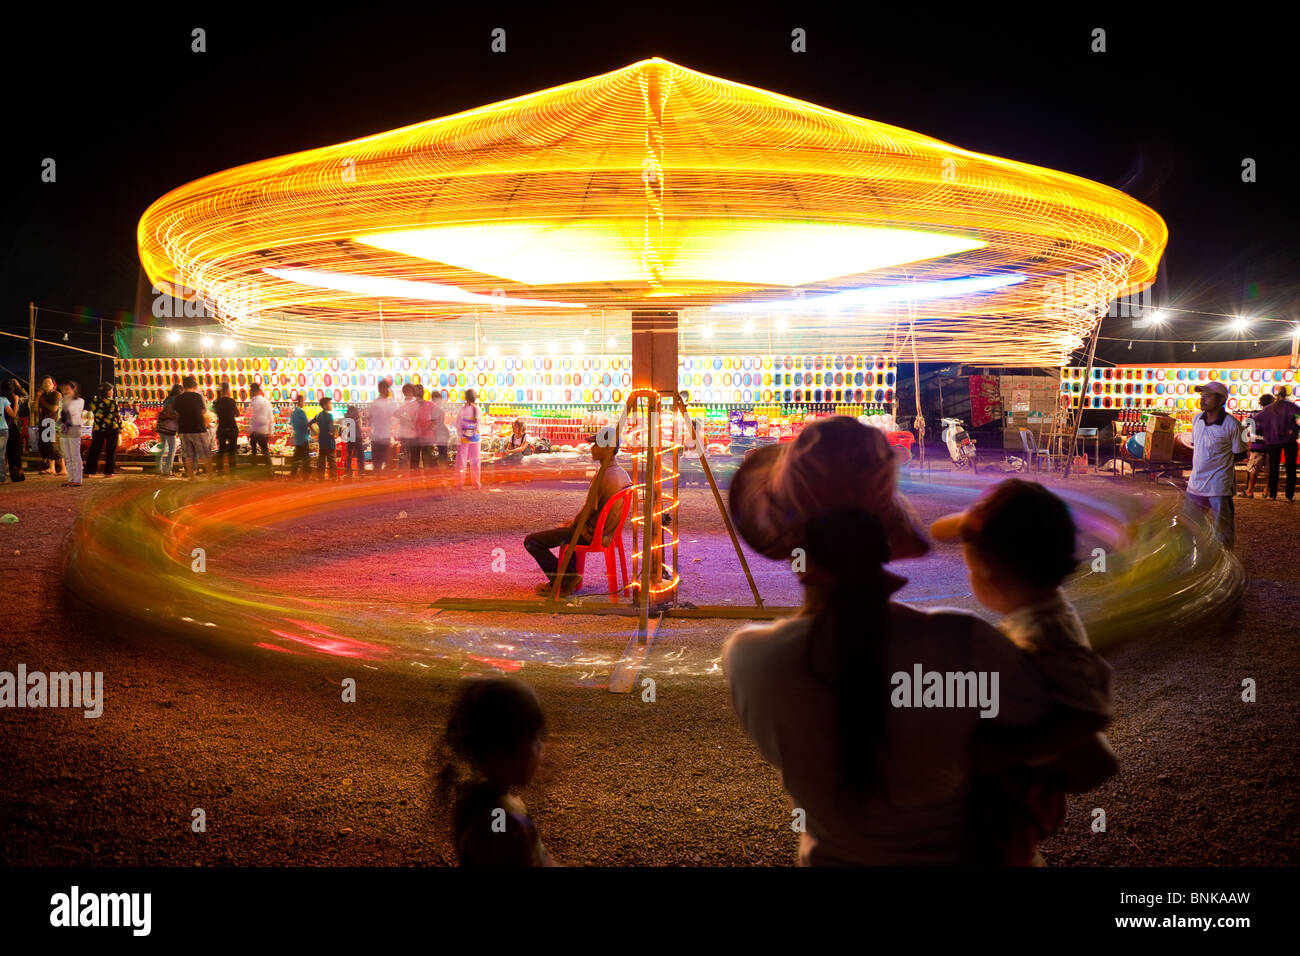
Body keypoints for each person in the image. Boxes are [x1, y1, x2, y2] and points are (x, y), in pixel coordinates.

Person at [722, 416, 1055, 866]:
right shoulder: (966, 645)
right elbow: (1067, 756)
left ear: (791, 538)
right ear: (886, 528)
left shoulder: (749, 659)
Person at [930, 479, 1116, 865]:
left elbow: (1091, 710)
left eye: (970, 569)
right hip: (1019, 791)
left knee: (998, 848)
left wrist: (1005, 751)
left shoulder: (1043, 637)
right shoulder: (1045, 608)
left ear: (990, 577)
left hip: (1021, 794)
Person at [436, 678, 555, 867]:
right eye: (533, 738)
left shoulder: (474, 799)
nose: (541, 747)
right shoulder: (498, 818)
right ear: (502, 750)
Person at [524, 425, 632, 596]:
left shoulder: (603, 476)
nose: (592, 448)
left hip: (591, 533)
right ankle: (568, 578)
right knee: (568, 530)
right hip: (607, 531)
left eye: (596, 444)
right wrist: (572, 524)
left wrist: (573, 524)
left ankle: (565, 579)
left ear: (607, 449)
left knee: (532, 542)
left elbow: (588, 510)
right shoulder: (622, 473)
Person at [1185, 381, 1247, 548]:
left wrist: (1219, 464)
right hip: (1195, 483)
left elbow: (1240, 453)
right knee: (1188, 526)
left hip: (1219, 486)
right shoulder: (1196, 419)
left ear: (1221, 401)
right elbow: (1197, 447)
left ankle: (1225, 562)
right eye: (1201, 395)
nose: (1202, 399)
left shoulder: (1232, 425)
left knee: (1223, 530)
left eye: (1207, 396)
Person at [1262, 385, 1300, 501]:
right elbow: (1298, 419)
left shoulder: (1270, 408)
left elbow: (1260, 420)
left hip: (1273, 440)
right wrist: (1293, 429)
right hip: (1289, 439)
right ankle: (1289, 495)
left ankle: (1273, 494)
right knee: (1290, 468)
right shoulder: (1292, 407)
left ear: (1276, 395)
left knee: (1273, 467)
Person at [173, 376, 211, 480]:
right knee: (205, 453)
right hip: (198, 428)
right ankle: (210, 477)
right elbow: (203, 411)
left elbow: (176, 414)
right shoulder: (198, 397)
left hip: (184, 429)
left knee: (188, 455)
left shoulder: (178, 398)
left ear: (184, 386)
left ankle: (191, 477)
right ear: (194, 386)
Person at [85, 382, 123, 479]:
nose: (112, 392)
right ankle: (108, 472)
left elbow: (95, 414)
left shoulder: (94, 402)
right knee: (111, 451)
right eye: (111, 390)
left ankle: (88, 471)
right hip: (112, 428)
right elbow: (117, 417)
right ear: (107, 391)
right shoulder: (113, 403)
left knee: (94, 450)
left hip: (99, 428)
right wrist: (121, 428)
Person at [1242, 393, 1274, 499]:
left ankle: (1250, 490)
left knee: (1253, 469)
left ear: (1260, 403)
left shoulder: (1254, 414)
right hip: (1271, 446)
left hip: (1257, 446)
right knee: (1269, 470)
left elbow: (1243, 426)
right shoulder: (1275, 416)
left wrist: (1248, 438)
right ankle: (1266, 491)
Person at [58, 380, 85, 487]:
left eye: (67, 389)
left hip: (74, 429)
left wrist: (67, 401)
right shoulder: (62, 401)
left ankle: (77, 479)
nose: (65, 391)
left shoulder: (80, 401)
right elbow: (60, 415)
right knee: (67, 456)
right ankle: (71, 478)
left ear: (74, 389)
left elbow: (74, 412)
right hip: (64, 429)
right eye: (64, 389)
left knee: (75, 455)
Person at [455, 388, 483, 489]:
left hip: (464, 439)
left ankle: (460, 484)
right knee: (475, 461)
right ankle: (476, 483)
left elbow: (457, 424)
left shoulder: (462, 410)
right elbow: (479, 424)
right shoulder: (478, 410)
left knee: (462, 462)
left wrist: (461, 433)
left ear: (466, 398)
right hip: (476, 438)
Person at [36, 377, 63, 476]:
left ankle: (63, 469)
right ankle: (52, 468)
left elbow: (54, 408)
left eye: (49, 382)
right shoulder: (43, 395)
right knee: (47, 446)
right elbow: (36, 410)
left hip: (53, 422)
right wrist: (38, 397)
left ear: (53, 385)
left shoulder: (56, 394)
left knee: (53, 445)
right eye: (45, 382)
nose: (47, 384)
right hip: (44, 422)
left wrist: (41, 400)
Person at [367, 379, 396, 474]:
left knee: (380, 463)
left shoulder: (378, 403)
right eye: (386, 389)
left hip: (380, 437)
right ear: (381, 390)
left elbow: (369, 419)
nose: (388, 391)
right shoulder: (379, 403)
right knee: (382, 463)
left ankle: (381, 480)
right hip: (380, 438)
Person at [212, 381, 240, 475]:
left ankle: (220, 471)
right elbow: (237, 414)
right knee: (232, 451)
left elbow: (216, 413)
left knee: (221, 451)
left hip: (222, 428)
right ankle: (233, 472)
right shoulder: (231, 401)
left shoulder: (216, 402)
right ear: (228, 390)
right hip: (232, 427)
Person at [156, 383, 182, 477]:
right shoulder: (176, 400)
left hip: (162, 426)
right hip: (170, 427)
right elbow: (174, 414)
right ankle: (167, 470)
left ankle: (159, 468)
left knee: (163, 448)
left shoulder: (167, 399)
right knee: (172, 448)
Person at [246, 382, 273, 474]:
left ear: (254, 391)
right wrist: (271, 431)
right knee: (265, 451)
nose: (249, 393)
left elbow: (251, 417)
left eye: (250, 391)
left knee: (254, 452)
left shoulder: (253, 401)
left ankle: (254, 471)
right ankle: (270, 471)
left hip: (255, 431)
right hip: (264, 430)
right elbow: (271, 417)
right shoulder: (266, 401)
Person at [2, 380, 26, 482]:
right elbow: (14, 414)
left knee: (3, 452)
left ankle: (4, 475)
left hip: (4, 426)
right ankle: (16, 476)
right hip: (12, 426)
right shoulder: (12, 398)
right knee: (14, 452)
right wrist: (16, 399)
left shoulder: (2, 398)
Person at [311, 395, 338, 480]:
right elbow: (331, 428)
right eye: (330, 404)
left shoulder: (318, 415)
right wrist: (334, 434)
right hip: (329, 441)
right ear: (325, 406)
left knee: (321, 461)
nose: (331, 405)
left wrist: (316, 431)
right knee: (332, 461)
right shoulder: (329, 416)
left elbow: (309, 423)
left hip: (322, 441)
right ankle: (333, 478)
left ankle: (321, 478)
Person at [393, 383, 417, 474]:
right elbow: (396, 413)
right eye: (407, 392)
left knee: (412, 455)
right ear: (404, 393)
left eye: (410, 392)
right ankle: (403, 474)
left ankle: (411, 473)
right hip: (405, 433)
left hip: (413, 433)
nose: (409, 394)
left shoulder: (415, 403)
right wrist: (404, 418)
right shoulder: (403, 404)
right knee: (404, 455)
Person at [289, 393, 311, 479]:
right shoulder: (301, 412)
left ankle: (293, 474)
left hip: (298, 438)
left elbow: (292, 424)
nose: (304, 403)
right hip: (304, 438)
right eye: (303, 401)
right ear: (300, 401)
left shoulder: (294, 413)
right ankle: (306, 475)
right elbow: (307, 424)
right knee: (306, 458)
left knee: (296, 458)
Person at [412, 385, 434, 470]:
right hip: (417, 438)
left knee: (425, 464)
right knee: (415, 464)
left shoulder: (430, 404)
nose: (419, 392)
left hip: (425, 438)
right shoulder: (411, 405)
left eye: (420, 390)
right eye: (417, 391)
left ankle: (423, 482)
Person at [341, 403, 364, 478]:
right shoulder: (356, 416)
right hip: (357, 436)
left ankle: (349, 473)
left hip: (351, 436)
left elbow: (345, 427)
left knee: (349, 456)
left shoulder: (347, 417)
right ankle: (361, 472)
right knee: (360, 455)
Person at [431, 389, 451, 467]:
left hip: (437, 436)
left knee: (439, 456)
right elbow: (438, 424)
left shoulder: (430, 409)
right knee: (442, 455)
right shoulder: (439, 410)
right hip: (440, 437)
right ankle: (442, 472)